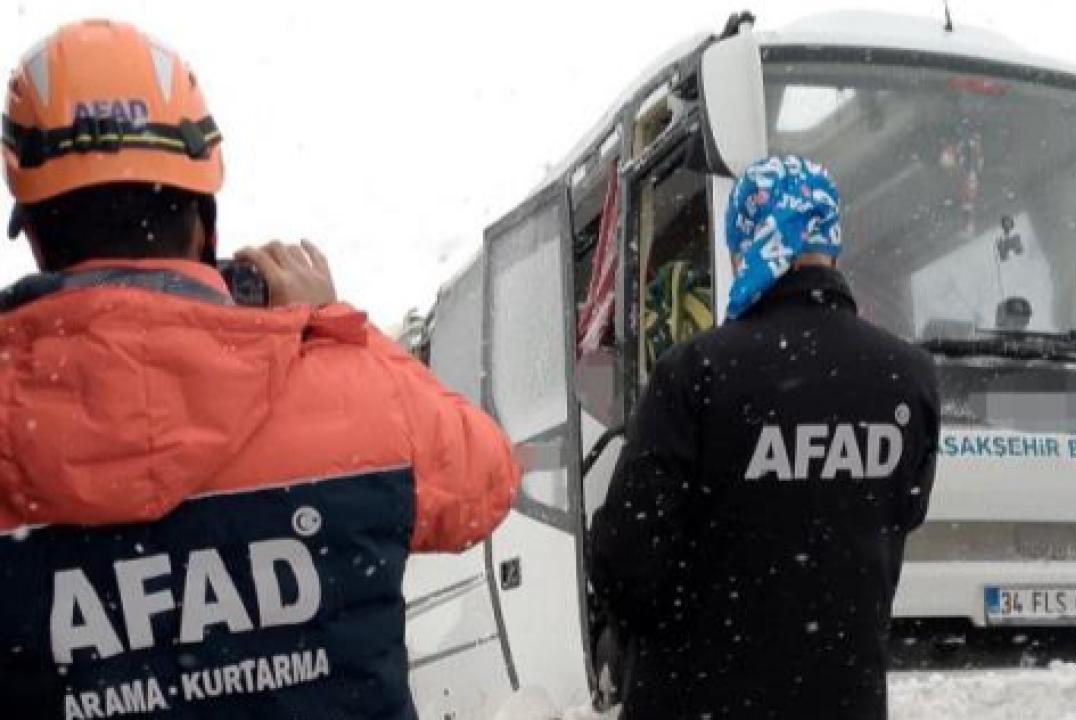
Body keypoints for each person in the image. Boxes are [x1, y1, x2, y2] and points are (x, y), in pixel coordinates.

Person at [0, 20, 519, 719]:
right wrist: (337, 330)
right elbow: (487, 480)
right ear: (204, 220)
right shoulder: (354, 394)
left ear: (35, 233)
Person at [589, 155, 940, 719]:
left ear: (753, 239)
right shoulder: (910, 377)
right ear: (829, 238)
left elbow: (626, 560)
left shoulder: (697, 371)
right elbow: (900, 517)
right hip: (844, 701)